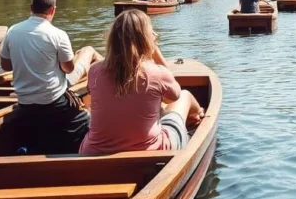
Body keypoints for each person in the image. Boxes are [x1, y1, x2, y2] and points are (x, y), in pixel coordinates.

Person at [0, 0, 103, 156]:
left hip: (25, 101)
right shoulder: (58, 35)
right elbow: (69, 69)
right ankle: (109, 70)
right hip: (53, 100)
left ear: (31, 8)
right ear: (53, 10)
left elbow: (6, 65)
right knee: (88, 51)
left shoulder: (13, 31)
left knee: (81, 53)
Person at [80, 10, 203, 155]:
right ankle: (198, 115)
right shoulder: (158, 72)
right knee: (185, 95)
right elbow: (173, 96)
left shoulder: (94, 71)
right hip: (150, 152)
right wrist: (154, 51)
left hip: (93, 152)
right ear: (146, 39)